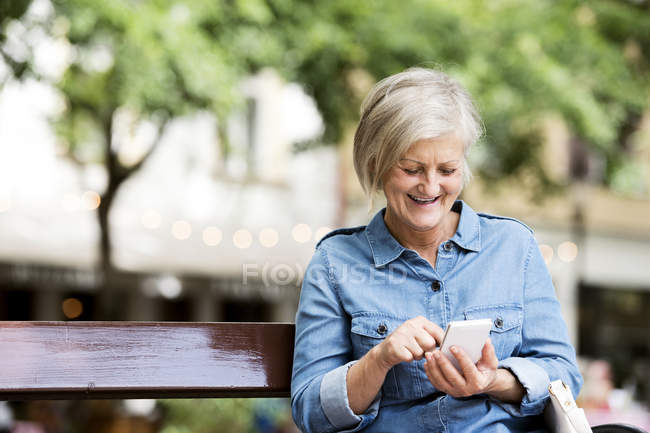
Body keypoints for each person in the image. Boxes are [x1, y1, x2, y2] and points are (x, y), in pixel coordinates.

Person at [290, 67, 582, 433]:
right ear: (375, 164)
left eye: (447, 169)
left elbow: (564, 374)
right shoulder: (335, 263)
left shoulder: (513, 247)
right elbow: (309, 411)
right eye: (411, 168)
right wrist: (378, 360)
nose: (430, 186)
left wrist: (491, 381)